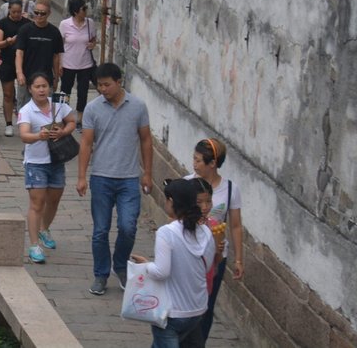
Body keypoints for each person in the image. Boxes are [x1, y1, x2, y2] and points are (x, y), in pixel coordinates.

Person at [75, 62, 153, 295]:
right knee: (100, 230)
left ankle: (120, 265)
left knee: (128, 227)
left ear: (119, 82)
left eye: (107, 85)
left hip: (129, 178)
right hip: (101, 177)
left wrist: (147, 173)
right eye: (99, 85)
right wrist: (81, 176)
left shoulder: (138, 107)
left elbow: (146, 140)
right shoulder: (92, 109)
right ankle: (100, 274)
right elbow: (87, 143)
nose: (103, 89)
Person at [131, 178, 214, 348]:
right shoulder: (205, 231)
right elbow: (207, 266)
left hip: (172, 312)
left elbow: (162, 271)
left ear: (172, 201)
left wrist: (146, 265)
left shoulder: (166, 233)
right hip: (197, 309)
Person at [186, 137, 243, 341]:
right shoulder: (187, 184)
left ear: (213, 163)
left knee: (207, 307)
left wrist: (237, 259)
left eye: (199, 160)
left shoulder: (230, 189)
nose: (194, 164)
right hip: (190, 255)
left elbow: (235, 226)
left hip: (216, 258)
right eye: (194, 159)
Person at [17, 71, 75, 263]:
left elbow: (72, 121)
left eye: (44, 86)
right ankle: (34, 245)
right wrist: (38, 136)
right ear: (30, 89)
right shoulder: (27, 110)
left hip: (57, 160)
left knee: (55, 199)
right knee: (37, 203)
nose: (41, 90)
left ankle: (44, 229)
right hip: (36, 163)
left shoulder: (59, 104)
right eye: (37, 87)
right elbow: (24, 135)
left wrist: (63, 131)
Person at [15, 0, 64, 92]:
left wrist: (56, 78)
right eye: (36, 12)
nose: (39, 15)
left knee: (45, 105)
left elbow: (56, 56)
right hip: (27, 76)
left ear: (49, 13)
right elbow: (19, 53)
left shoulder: (54, 32)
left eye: (43, 13)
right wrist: (19, 73)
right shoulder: (25, 30)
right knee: (24, 105)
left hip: (46, 78)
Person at [0, 0, 27, 136]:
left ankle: (25, 121)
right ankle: (8, 123)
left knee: (24, 95)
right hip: (7, 60)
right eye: (14, 12)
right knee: (8, 94)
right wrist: (8, 41)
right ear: (9, 11)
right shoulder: (3, 23)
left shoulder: (27, 24)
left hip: (24, 62)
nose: (16, 14)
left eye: (19, 12)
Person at [59, 0, 98, 114]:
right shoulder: (65, 24)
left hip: (85, 64)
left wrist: (93, 44)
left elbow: (94, 39)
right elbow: (59, 45)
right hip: (68, 64)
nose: (86, 11)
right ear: (76, 11)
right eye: (83, 9)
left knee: (83, 92)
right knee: (65, 91)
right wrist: (59, 63)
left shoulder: (90, 23)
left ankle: (80, 117)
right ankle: (62, 115)